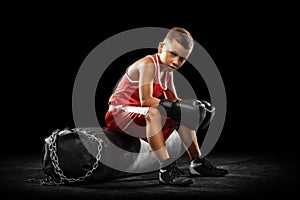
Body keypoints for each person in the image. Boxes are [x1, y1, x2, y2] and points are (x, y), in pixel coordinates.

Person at [104, 27, 228, 186]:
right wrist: (179, 107)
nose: (176, 61)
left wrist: (196, 108)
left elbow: (174, 100)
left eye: (182, 59)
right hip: (119, 113)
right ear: (161, 47)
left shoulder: (168, 71)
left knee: (184, 115)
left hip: (140, 116)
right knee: (156, 112)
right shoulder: (148, 65)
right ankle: (166, 170)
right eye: (173, 54)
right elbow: (146, 100)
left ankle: (197, 163)